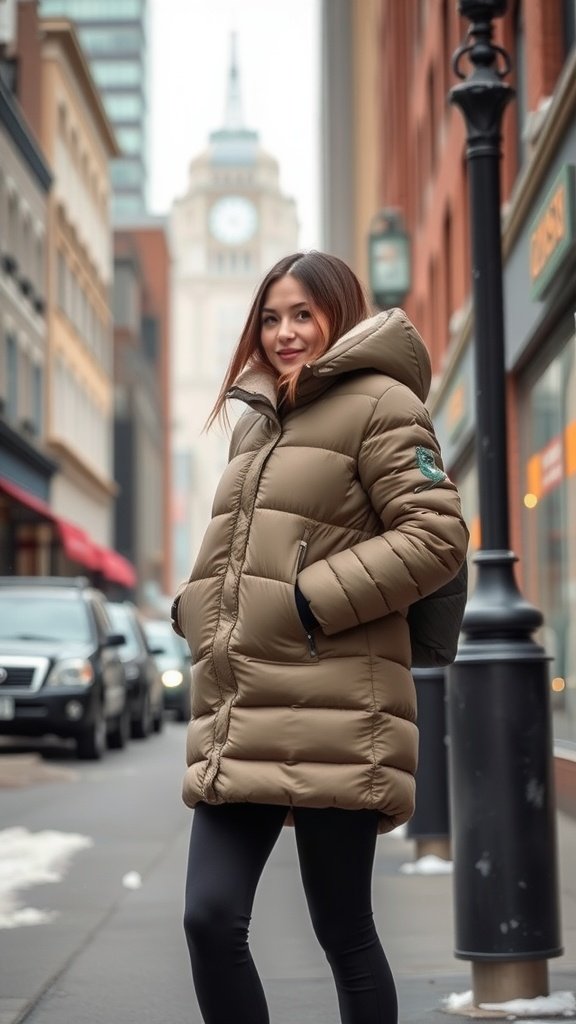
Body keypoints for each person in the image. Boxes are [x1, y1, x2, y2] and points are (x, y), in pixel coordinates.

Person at [171, 250, 468, 1024]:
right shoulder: (255, 423)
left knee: (344, 932)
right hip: (242, 706)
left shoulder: (381, 403)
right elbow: (236, 549)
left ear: (339, 313)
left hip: (337, 702)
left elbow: (436, 536)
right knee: (209, 918)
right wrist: (194, 608)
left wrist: (308, 602)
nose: (284, 333)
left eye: (302, 314)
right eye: (271, 318)